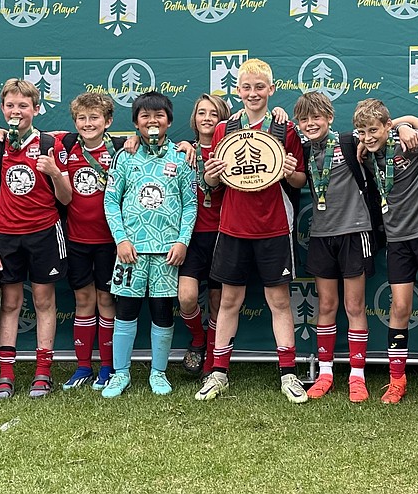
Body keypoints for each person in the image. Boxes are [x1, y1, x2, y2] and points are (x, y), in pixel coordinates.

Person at [194, 58, 309, 403]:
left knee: (278, 301)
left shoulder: (284, 129)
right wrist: (211, 174)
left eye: (260, 87)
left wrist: (289, 171)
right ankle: (218, 373)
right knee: (229, 300)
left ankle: (288, 374)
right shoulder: (224, 129)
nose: (253, 93)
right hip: (233, 227)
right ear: (238, 91)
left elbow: (301, 180)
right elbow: (210, 182)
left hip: (273, 227)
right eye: (247, 87)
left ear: (271, 90)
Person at [355, 99, 418, 406]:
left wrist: (406, 121)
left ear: (387, 126)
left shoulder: (411, 141)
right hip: (397, 240)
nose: (368, 137)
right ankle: (396, 381)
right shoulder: (367, 152)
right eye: (362, 131)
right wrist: (370, 139)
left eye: (374, 130)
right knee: (399, 309)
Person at [101, 91, 197, 397]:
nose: (152, 121)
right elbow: (111, 201)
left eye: (159, 116)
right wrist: (121, 240)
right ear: (136, 123)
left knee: (162, 313)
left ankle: (159, 372)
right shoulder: (125, 156)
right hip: (131, 252)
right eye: (145, 116)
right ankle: (120, 373)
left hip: (167, 253)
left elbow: (190, 205)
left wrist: (182, 242)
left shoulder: (180, 157)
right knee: (125, 311)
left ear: (169, 121)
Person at [0, 78, 72, 399]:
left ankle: (42, 373)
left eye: (23, 105)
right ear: (2, 110)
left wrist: (56, 173)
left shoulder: (49, 145)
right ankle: (6, 375)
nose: (16, 111)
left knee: (44, 301)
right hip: (6, 237)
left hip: (44, 233)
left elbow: (66, 198)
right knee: (10, 304)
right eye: (10, 105)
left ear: (36, 109)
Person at [296, 91, 376, 403]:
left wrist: (406, 125)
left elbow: (384, 132)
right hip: (320, 235)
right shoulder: (301, 150)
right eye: (304, 119)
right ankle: (326, 372)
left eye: (316, 117)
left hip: (355, 232)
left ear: (329, 117)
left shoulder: (350, 141)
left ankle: (357, 375)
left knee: (354, 306)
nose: (311, 123)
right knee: (326, 306)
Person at [59, 92, 122, 392]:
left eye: (94, 117)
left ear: (108, 121)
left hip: (110, 241)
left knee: (106, 300)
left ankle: (107, 367)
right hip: (77, 239)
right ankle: (83, 366)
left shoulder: (121, 150)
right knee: (83, 301)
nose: (88, 123)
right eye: (82, 118)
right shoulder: (66, 146)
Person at [177, 94, 231, 378]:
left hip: (225, 235)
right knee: (186, 298)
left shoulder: (232, 151)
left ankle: (211, 357)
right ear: (194, 119)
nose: (207, 118)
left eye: (214, 113)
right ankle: (198, 340)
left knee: (218, 302)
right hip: (193, 237)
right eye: (201, 112)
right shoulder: (182, 152)